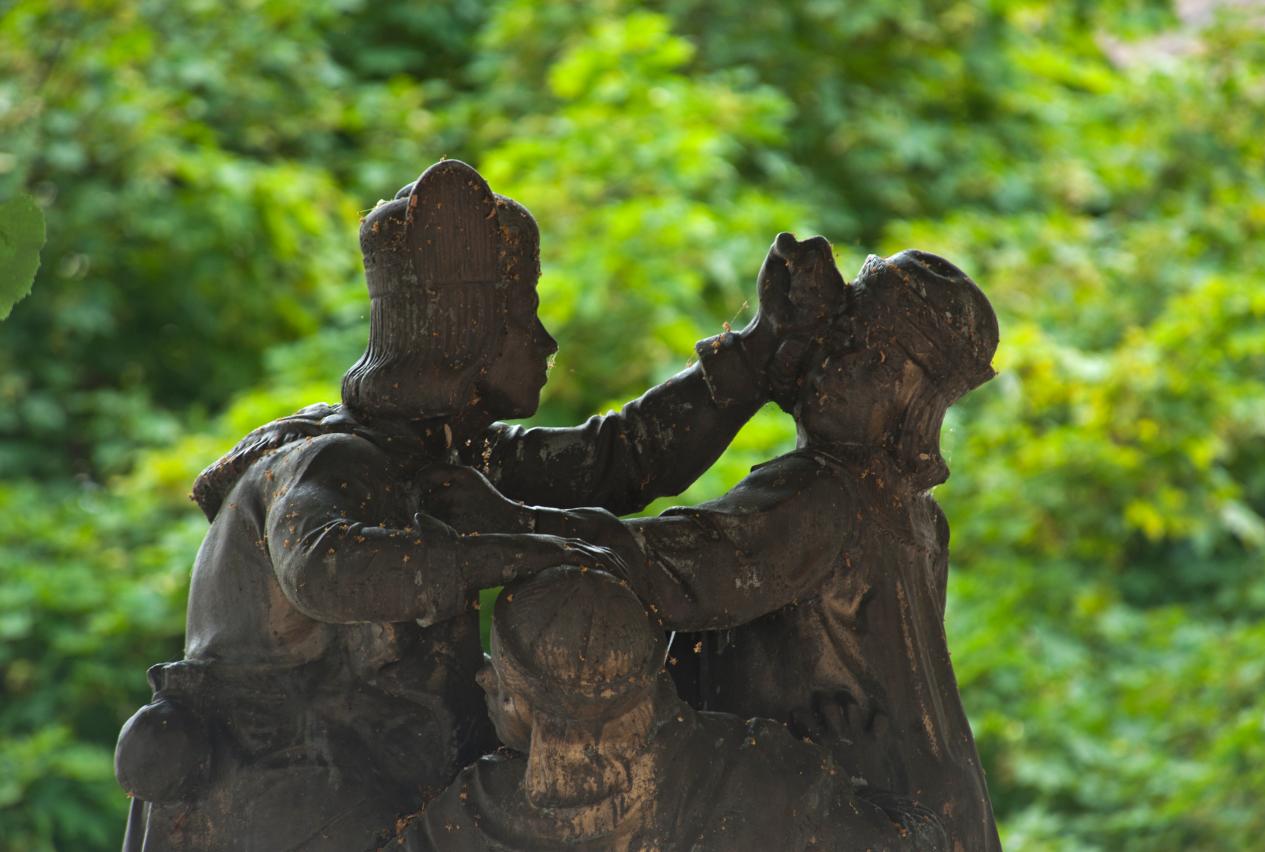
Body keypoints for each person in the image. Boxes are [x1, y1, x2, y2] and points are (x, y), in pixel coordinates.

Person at [115, 160, 825, 851]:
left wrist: (759, 352)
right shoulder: (331, 462)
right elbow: (325, 569)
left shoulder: (446, 459)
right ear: (466, 336)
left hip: (380, 792)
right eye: (525, 319)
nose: (546, 343)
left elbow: (621, 457)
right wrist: (513, 550)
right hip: (290, 811)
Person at [428, 243, 1002, 849]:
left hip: (859, 811)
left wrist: (509, 524)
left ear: (915, 407)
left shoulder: (823, 492)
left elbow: (678, 569)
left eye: (871, 360)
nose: (835, 363)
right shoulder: (914, 516)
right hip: (941, 806)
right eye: (839, 337)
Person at [406, 567, 946, 851]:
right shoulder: (766, 773)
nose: (482, 677)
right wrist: (865, 778)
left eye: (499, 675)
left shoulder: (465, 817)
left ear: (529, 707)